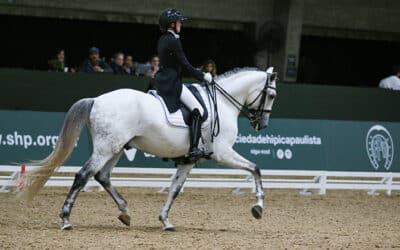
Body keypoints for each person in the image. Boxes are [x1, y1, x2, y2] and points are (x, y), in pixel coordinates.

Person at [155, 8, 213, 161]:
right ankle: (193, 148)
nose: (181, 24)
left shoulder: (162, 39)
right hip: (172, 82)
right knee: (198, 110)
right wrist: (203, 76)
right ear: (172, 24)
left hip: (160, 79)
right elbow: (185, 65)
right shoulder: (174, 41)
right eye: (179, 22)